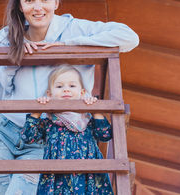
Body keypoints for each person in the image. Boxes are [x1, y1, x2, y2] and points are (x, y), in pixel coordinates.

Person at [0, 0, 139, 195]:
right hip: (1, 132)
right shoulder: (7, 35)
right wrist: (12, 61)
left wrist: (68, 45)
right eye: (29, 0)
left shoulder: (74, 28)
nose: (37, 7)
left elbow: (130, 37)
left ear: (56, 2)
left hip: (43, 136)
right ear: (21, 5)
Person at [20, 64, 113, 195]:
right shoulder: (49, 122)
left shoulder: (88, 119)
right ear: (49, 94)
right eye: (59, 86)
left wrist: (96, 111)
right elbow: (27, 137)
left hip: (86, 175)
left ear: (82, 93)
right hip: (57, 177)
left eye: (72, 86)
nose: (66, 90)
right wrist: (36, 111)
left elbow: (105, 135)